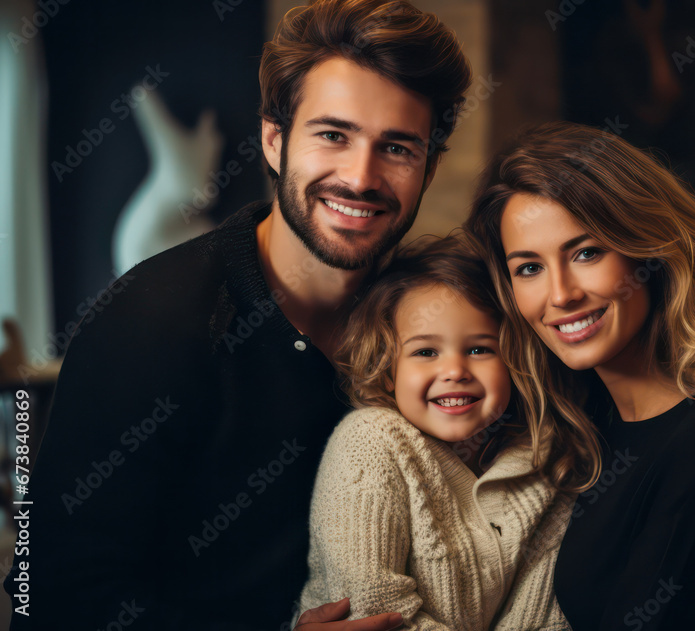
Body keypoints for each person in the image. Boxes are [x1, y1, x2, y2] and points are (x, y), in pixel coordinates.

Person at [6, 2, 471, 629]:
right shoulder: (150, 326)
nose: (360, 178)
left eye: (396, 148)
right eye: (333, 135)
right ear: (274, 140)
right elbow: (48, 595)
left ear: (429, 167)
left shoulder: (434, 321)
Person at [465, 121, 695, 630]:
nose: (560, 294)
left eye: (586, 253)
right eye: (529, 268)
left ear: (647, 249)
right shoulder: (586, 422)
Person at [295, 236, 572, 629]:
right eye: (425, 352)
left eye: (479, 349)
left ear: (514, 360)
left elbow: (543, 620)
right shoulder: (369, 441)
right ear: (388, 369)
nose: (455, 370)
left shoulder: (550, 469)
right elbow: (373, 612)